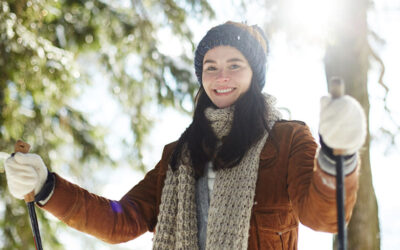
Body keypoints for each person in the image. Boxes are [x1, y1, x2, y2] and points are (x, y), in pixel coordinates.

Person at [5, 21, 366, 249]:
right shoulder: (177, 156)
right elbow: (121, 220)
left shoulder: (287, 140)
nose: (221, 76)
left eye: (234, 65)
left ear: (254, 75)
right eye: (211, 67)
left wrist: (339, 155)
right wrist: (47, 187)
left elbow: (325, 217)